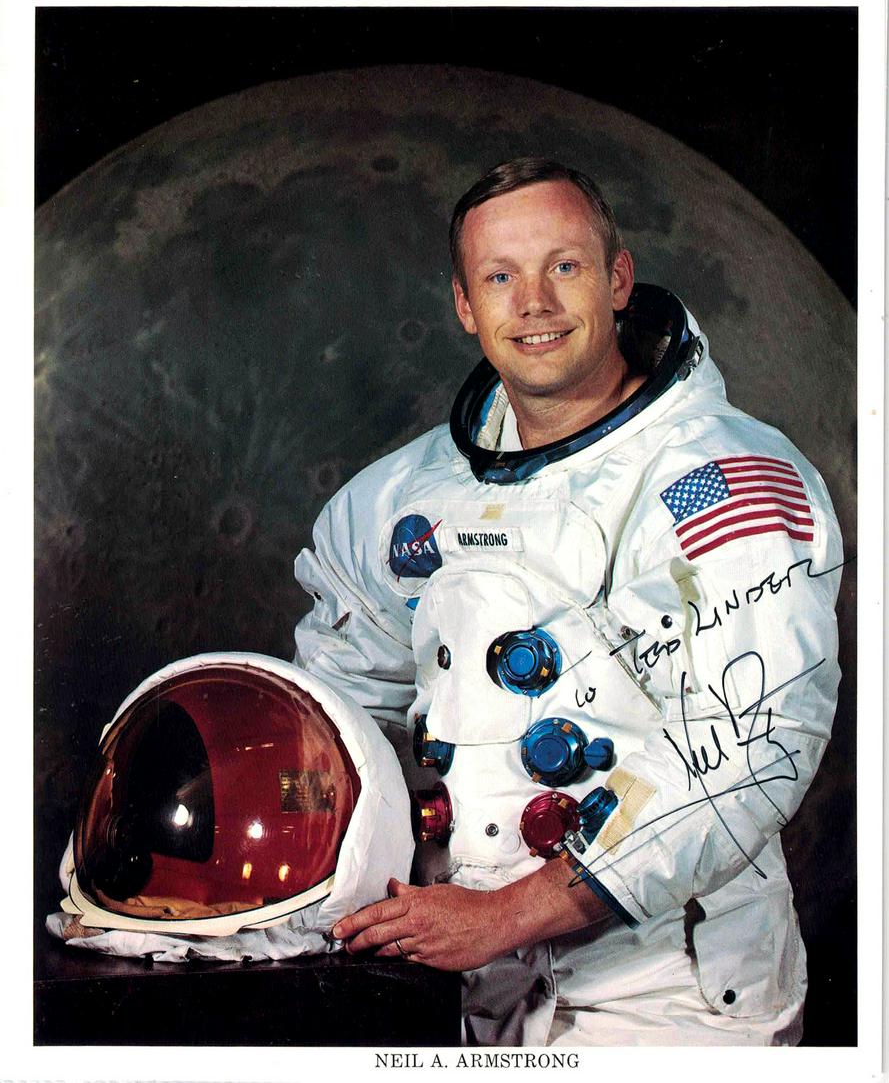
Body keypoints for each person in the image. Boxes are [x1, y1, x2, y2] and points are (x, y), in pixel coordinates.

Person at [291, 158, 843, 1045]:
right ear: (465, 306)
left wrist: (507, 913)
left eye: (564, 266)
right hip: (482, 988)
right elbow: (335, 726)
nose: (534, 304)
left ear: (617, 280)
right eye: (499, 278)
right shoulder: (399, 502)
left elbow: (751, 750)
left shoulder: (719, 480)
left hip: (674, 998)